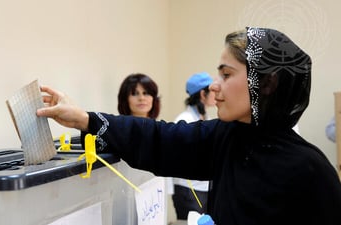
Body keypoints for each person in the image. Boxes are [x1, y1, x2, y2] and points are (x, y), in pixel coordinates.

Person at [37, 27, 341, 224]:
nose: (214, 85)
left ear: (265, 84)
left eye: (226, 74)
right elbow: (161, 139)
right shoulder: (227, 137)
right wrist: (86, 119)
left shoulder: (309, 170)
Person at [171, 72, 215, 220]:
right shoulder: (184, 120)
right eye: (212, 91)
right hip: (188, 188)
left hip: (203, 186)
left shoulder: (206, 117)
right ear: (203, 94)